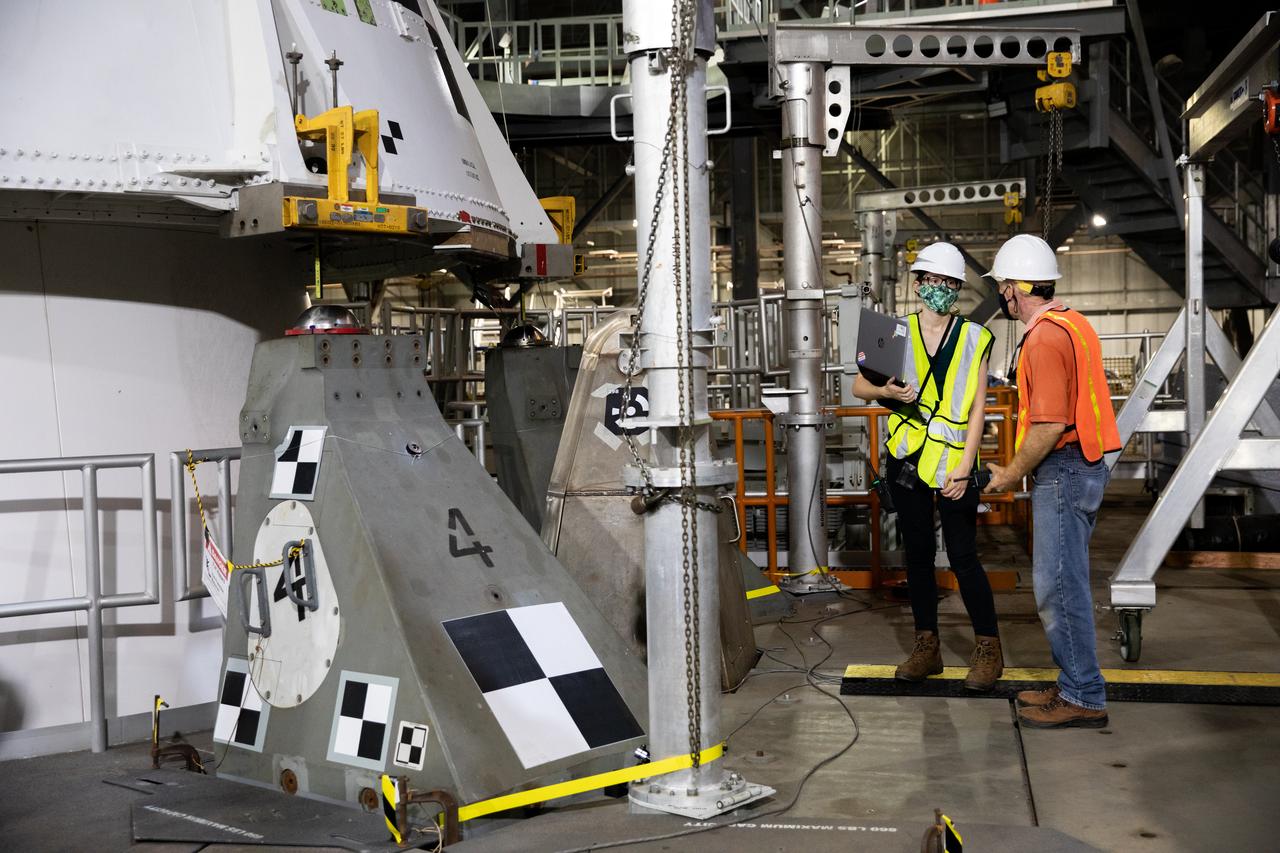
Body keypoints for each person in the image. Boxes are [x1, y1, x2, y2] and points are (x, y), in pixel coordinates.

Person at [982, 234, 1121, 729]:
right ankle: (1073, 684)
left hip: (1064, 467)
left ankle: (1083, 695)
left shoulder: (1041, 338)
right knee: (1065, 583)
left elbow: (1047, 424)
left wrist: (1010, 473)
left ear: (1015, 289)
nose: (1002, 295)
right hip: (1087, 463)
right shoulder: (1074, 323)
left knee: (1059, 588)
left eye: (1002, 286)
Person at [853, 241, 1002, 692]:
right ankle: (927, 647)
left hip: (955, 461)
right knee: (917, 556)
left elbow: (978, 409)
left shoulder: (978, 337)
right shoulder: (890, 331)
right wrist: (888, 394)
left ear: (958, 288)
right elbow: (860, 386)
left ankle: (988, 650)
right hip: (908, 460)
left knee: (963, 556)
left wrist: (964, 466)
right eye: (932, 281)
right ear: (918, 285)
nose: (939, 289)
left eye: (948, 283)